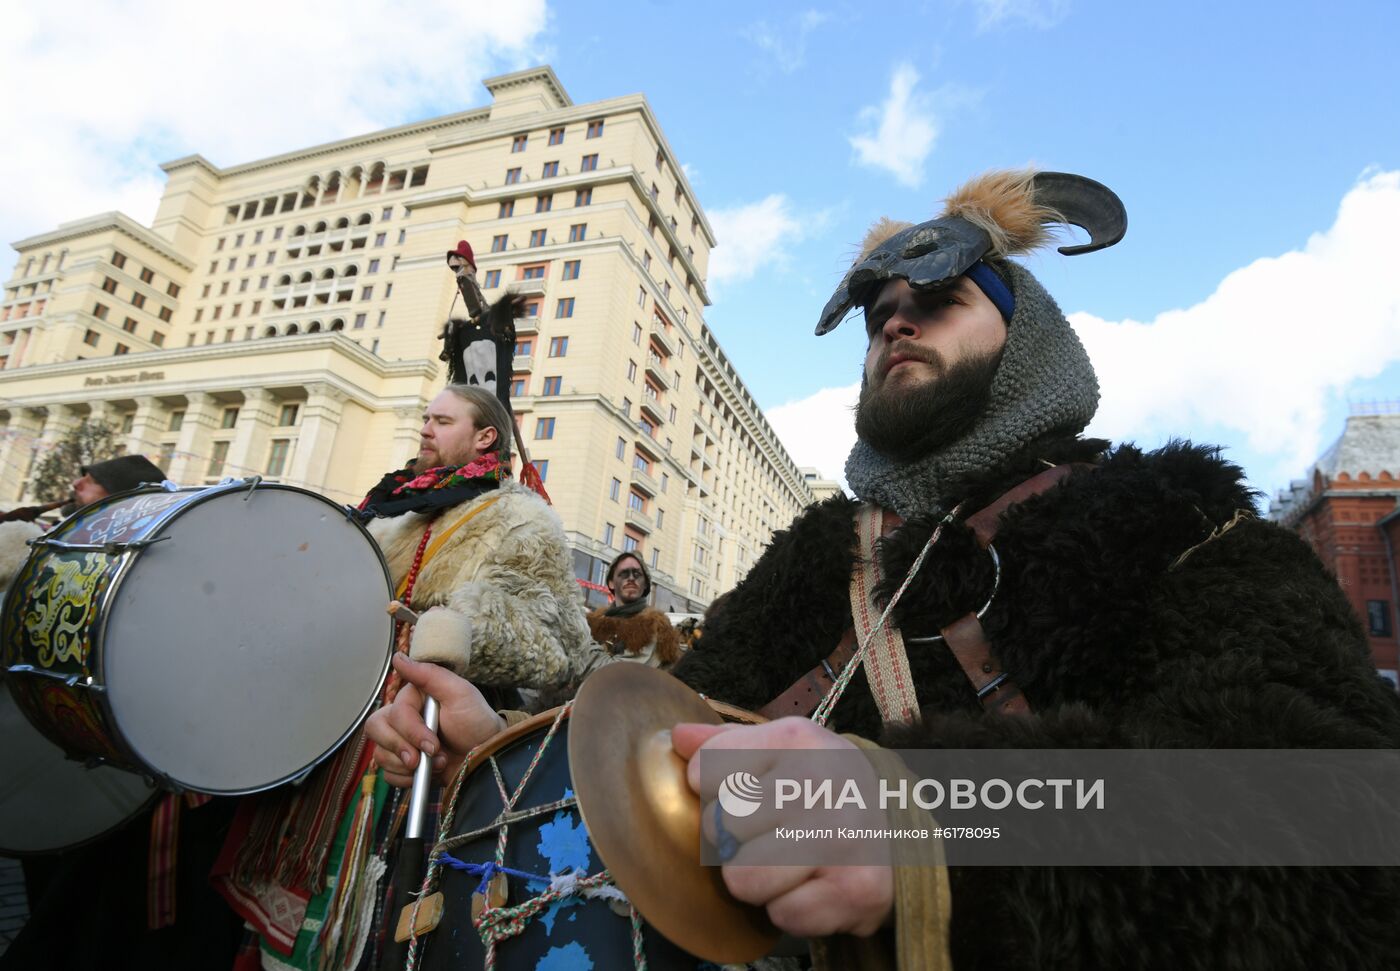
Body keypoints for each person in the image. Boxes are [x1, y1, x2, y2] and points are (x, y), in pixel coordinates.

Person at [366, 169, 1400, 968]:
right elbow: (673, 752)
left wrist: (931, 826)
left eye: (940, 296)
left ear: (1024, 333)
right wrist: (518, 741)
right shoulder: (814, 556)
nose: (895, 320)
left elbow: (1339, 810)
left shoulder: (1170, 518)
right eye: (877, 311)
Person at [2, 453, 245, 970]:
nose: (77, 484)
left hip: (161, 771)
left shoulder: (170, 556)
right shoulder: (57, 548)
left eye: (91, 482)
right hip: (90, 766)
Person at [585, 551, 682, 669]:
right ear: (611, 583)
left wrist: (581, 645)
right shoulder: (595, 622)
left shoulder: (653, 626)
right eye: (624, 573)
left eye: (637, 574)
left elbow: (618, 673)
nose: (631, 578)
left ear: (645, 584)